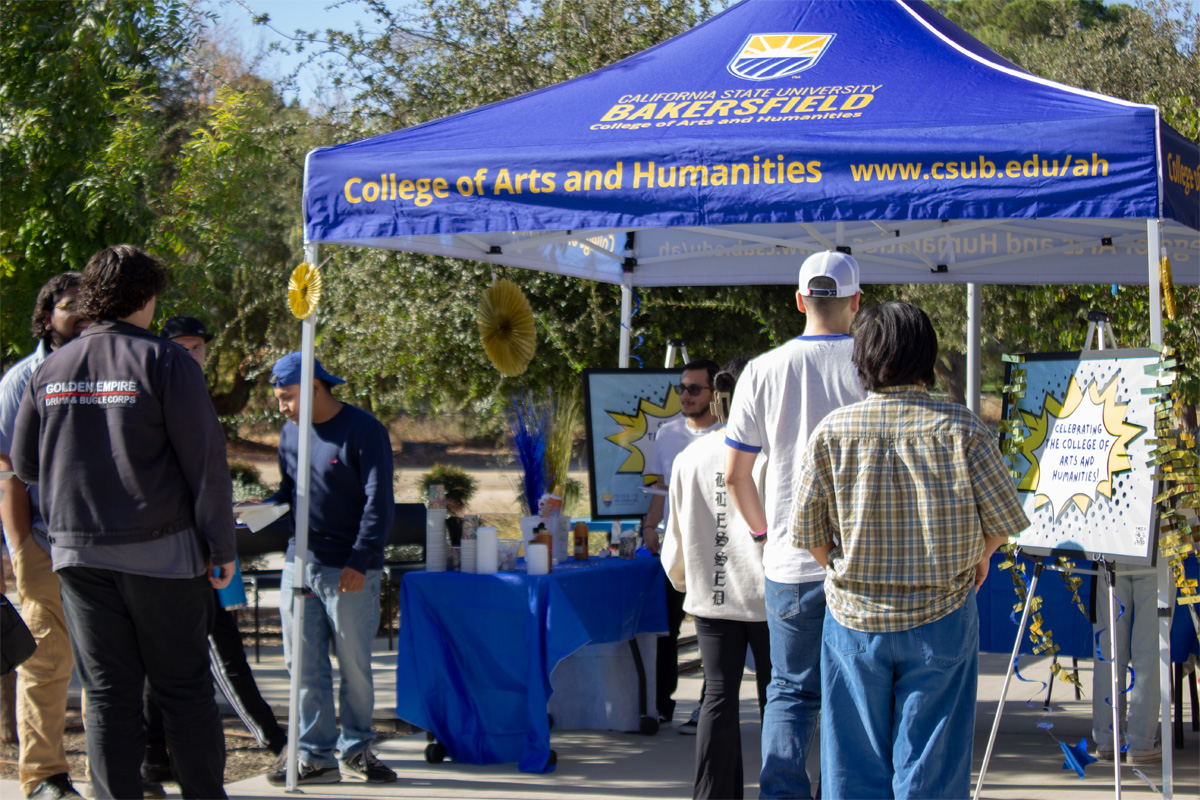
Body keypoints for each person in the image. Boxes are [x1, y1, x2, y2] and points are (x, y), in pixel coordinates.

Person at [10, 245, 237, 800]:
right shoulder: (167, 362)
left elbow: (25, 466)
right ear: (149, 296)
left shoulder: (52, 367)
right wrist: (222, 546)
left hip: (79, 557)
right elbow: (205, 465)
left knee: (109, 694)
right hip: (162, 553)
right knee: (182, 689)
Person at [793, 301, 1030, 799]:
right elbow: (1005, 522)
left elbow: (810, 536)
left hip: (854, 619)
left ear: (862, 358)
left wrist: (843, 569)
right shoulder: (964, 429)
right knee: (933, 766)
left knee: (852, 766)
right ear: (927, 355)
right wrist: (979, 558)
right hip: (942, 613)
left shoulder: (832, 432)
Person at [724, 250, 865, 799]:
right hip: (859, 563)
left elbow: (737, 475)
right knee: (851, 694)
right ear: (857, 302)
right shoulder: (872, 367)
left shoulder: (761, 370)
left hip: (788, 560)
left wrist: (764, 536)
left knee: (788, 690)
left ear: (799, 300)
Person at [139, 316, 288, 786]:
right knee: (219, 654)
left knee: (179, 657)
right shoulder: (153, 394)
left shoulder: (194, 393)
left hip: (209, 542)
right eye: (180, 346)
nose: (191, 355)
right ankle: (273, 741)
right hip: (182, 550)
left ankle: (154, 756)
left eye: (198, 348)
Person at [264, 352, 397, 786]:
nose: (282, 407)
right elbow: (289, 490)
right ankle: (314, 756)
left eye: (287, 397)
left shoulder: (364, 430)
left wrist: (360, 559)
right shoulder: (290, 433)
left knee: (354, 665)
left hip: (350, 570)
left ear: (315, 388)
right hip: (298, 564)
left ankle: (356, 748)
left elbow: (380, 502)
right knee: (303, 665)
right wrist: (258, 508)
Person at [661, 358, 770, 800]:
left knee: (719, 697)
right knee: (777, 696)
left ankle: (713, 793)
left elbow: (675, 537)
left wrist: (688, 580)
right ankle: (782, 788)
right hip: (767, 596)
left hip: (713, 594)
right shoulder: (769, 454)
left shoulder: (690, 456)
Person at [0, 272, 88, 800]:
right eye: (67, 304)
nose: (79, 312)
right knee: (46, 663)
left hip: (107, 541)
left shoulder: (108, 368)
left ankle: (118, 767)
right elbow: (7, 470)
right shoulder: (20, 380)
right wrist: (19, 548)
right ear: (46, 314)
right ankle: (45, 777)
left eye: (87, 304)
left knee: (110, 663)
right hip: (41, 540)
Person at [639, 358, 722, 733]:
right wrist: (649, 526)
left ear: (713, 393)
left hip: (717, 549)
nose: (685, 396)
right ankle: (662, 704)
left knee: (712, 629)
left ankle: (707, 706)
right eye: (681, 388)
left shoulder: (729, 433)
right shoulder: (668, 433)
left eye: (694, 389)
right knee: (668, 628)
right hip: (677, 548)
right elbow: (661, 489)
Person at [1090, 571, 1167, 762]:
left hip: (1110, 551)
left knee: (1108, 646)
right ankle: (1141, 742)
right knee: (1149, 647)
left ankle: (1108, 738)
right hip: (1156, 550)